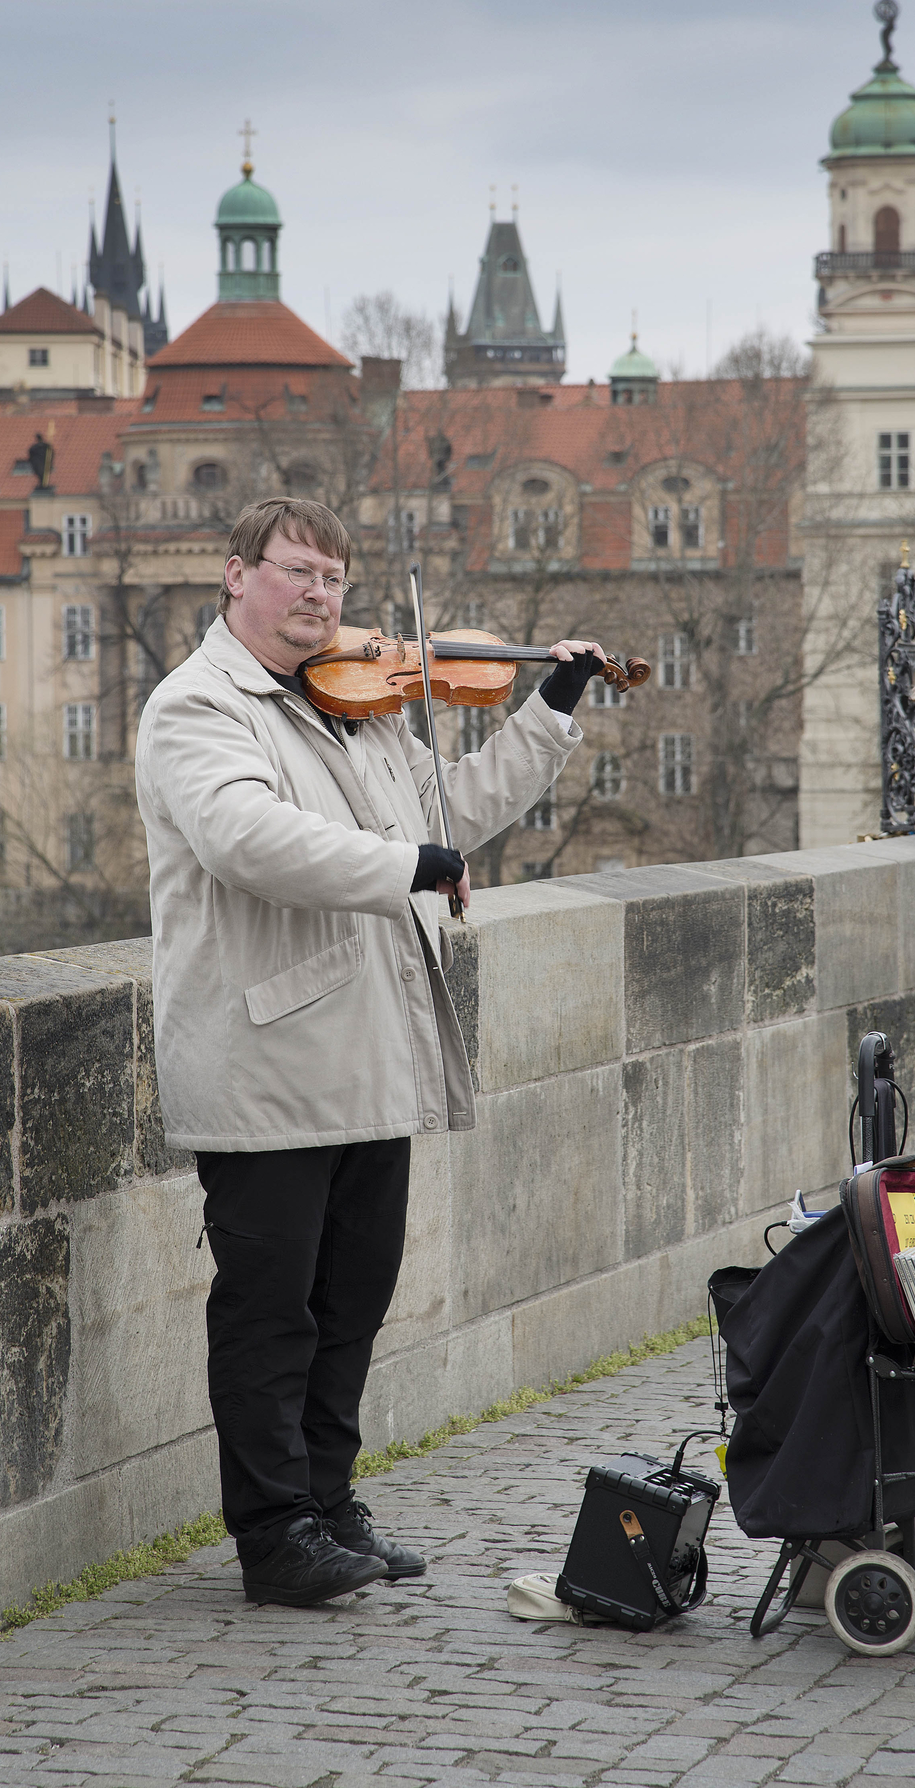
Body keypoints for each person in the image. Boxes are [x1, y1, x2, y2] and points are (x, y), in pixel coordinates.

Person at [135, 497, 608, 1606]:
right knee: (269, 1310)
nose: (320, 596)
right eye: (297, 571)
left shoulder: (366, 710)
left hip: (372, 1054)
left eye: (335, 579)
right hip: (267, 1062)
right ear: (235, 575)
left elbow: (457, 809)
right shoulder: (197, 707)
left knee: (353, 1297)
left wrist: (551, 707)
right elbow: (249, 840)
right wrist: (406, 863)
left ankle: (330, 1502)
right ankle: (273, 1532)